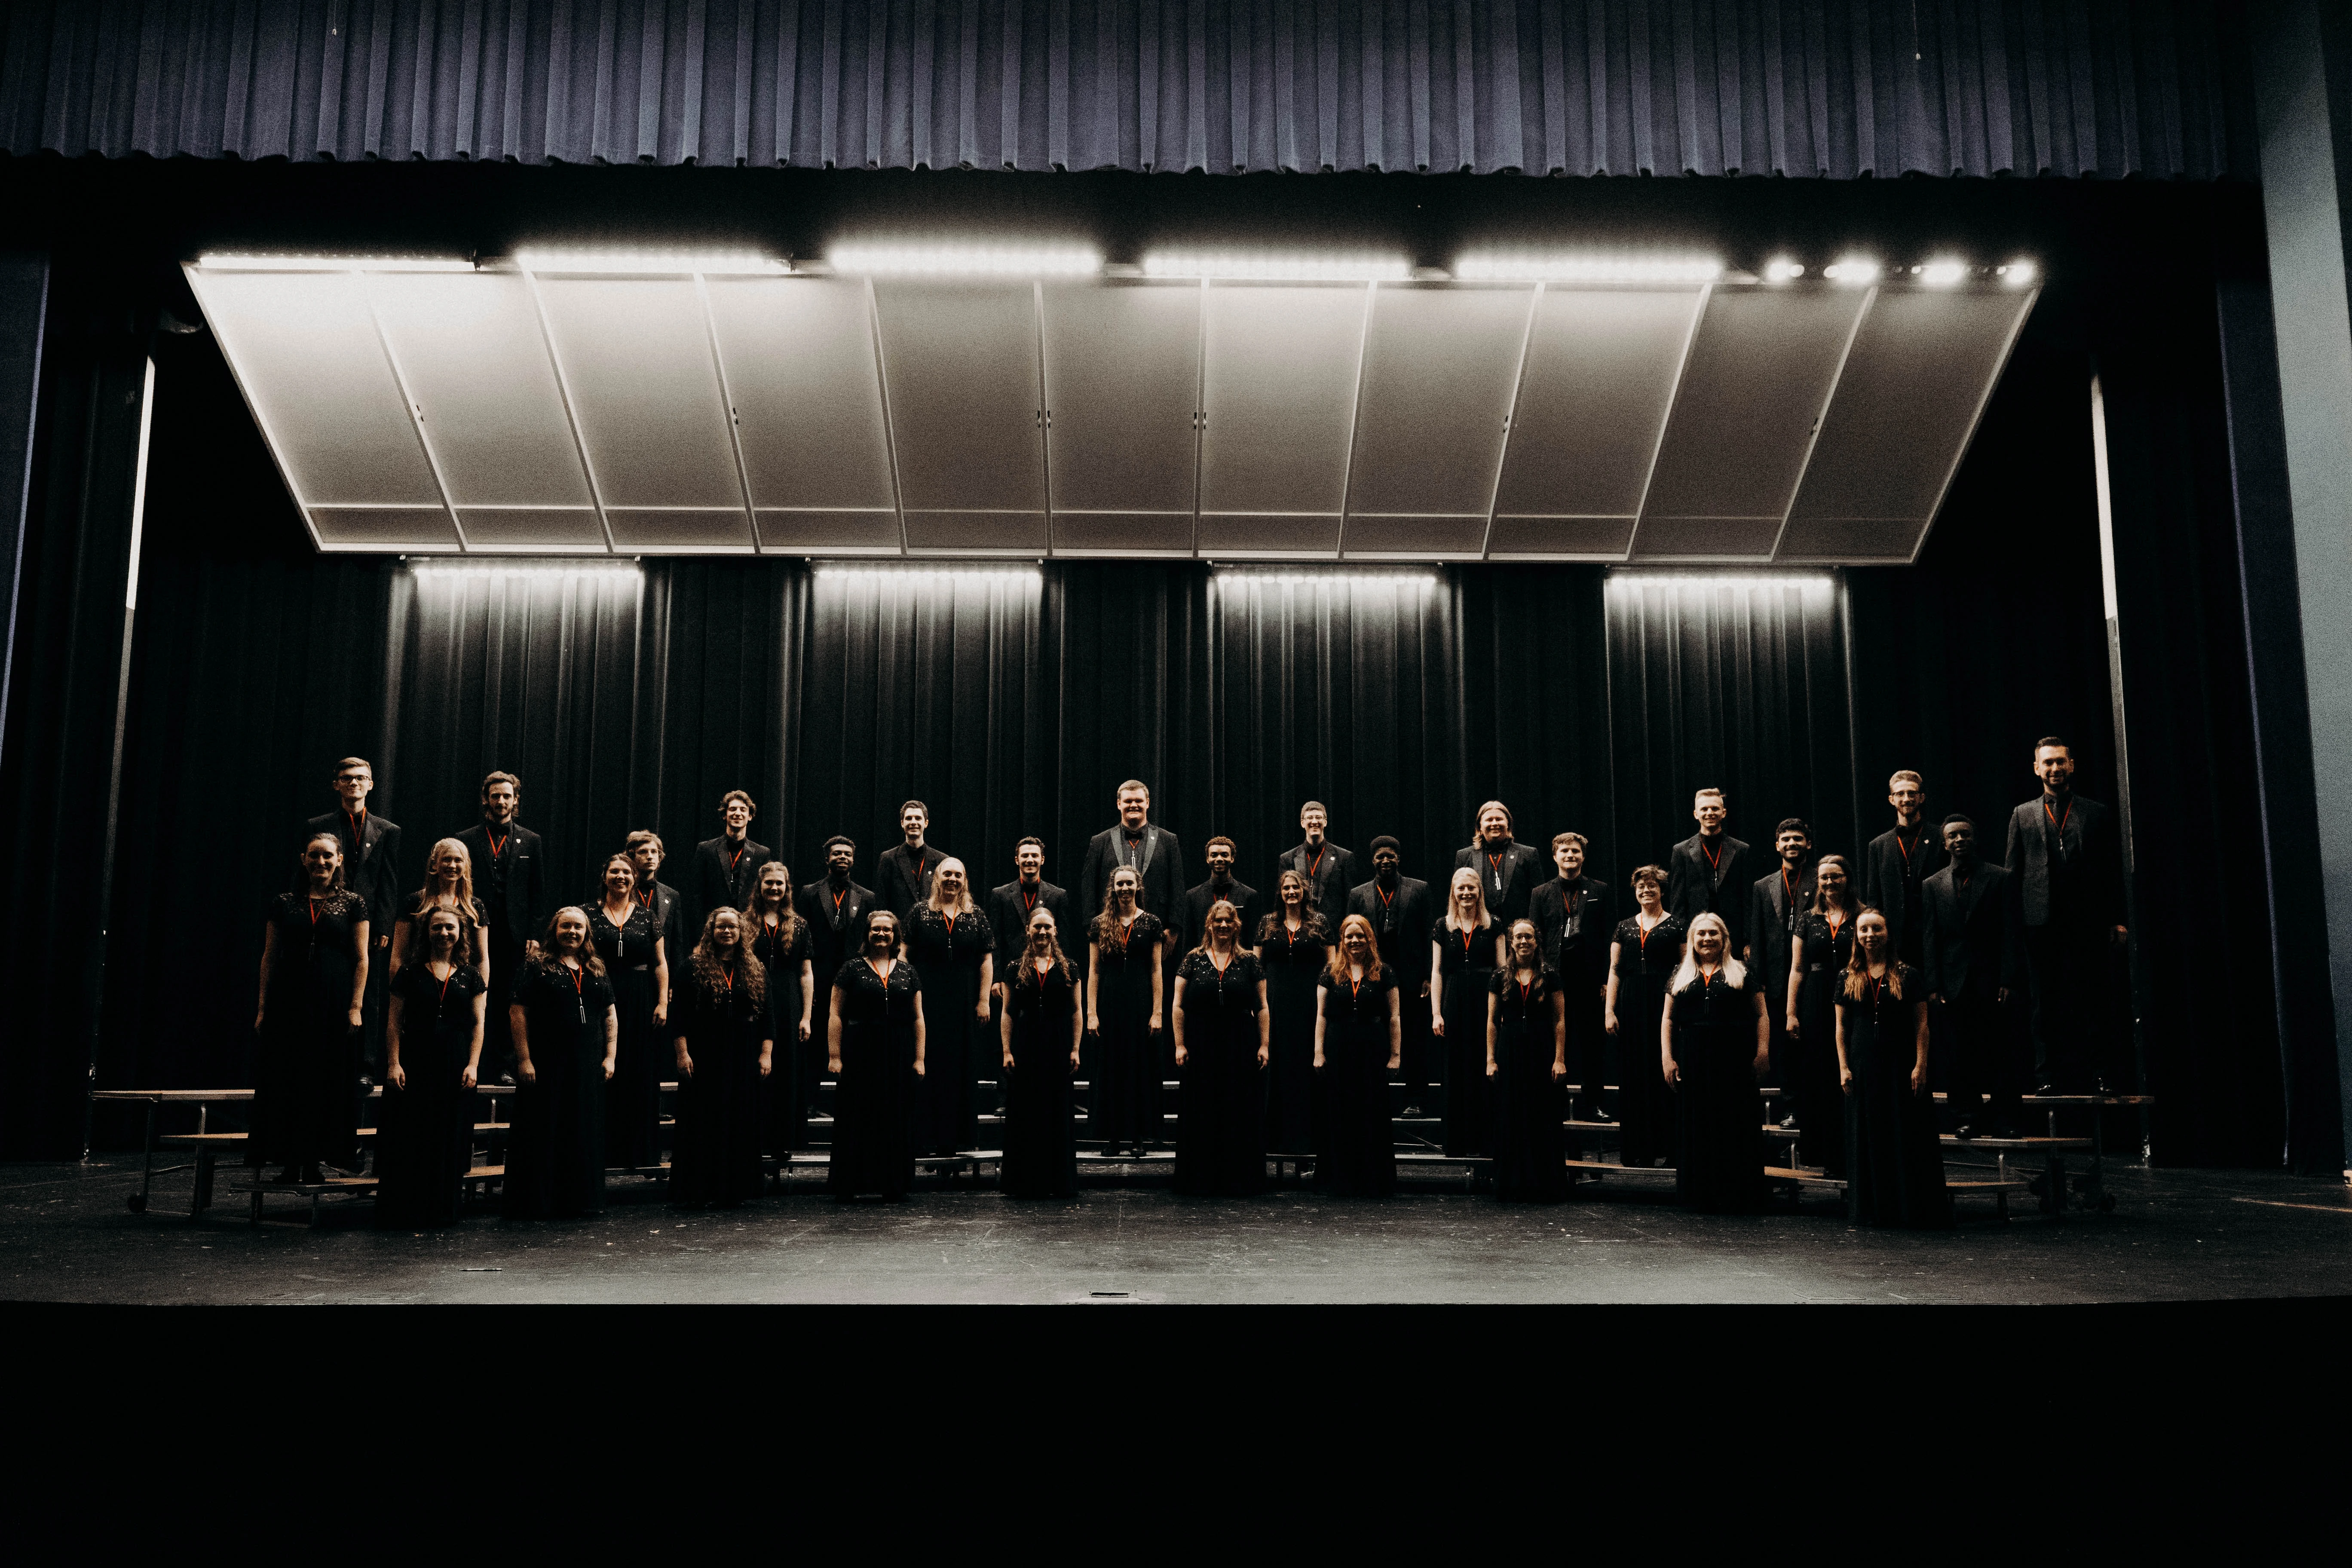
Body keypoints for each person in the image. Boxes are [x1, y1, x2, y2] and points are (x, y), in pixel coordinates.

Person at [2003, 737, 2129, 1093]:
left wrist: (2118, 919)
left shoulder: (2096, 811)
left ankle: (2101, 1073)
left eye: (2061, 762)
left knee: (2096, 999)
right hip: (2040, 922)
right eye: (2048, 763)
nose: (2055, 769)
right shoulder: (2022, 814)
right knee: (2044, 1002)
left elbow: (2111, 871)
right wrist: (2014, 926)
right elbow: (2013, 874)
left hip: (2088, 921)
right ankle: (2046, 1076)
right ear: (2037, 769)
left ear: (2072, 765)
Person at [254, 833, 369, 1184]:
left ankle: (315, 1161)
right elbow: (270, 956)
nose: (321, 863)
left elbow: (362, 959)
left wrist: (356, 1005)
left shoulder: (353, 903)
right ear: (304, 859)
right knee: (289, 1077)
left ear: (339, 861)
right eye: (315, 856)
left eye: (328, 857)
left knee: (325, 1079)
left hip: (333, 1002)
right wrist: (262, 1007)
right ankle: (290, 1162)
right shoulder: (285, 902)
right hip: (289, 1001)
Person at [1837, 909, 1951, 1227]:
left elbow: (1922, 1025)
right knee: (1868, 1136)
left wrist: (1921, 1064)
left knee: (1904, 1134)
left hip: (1900, 1065)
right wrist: (1844, 1067)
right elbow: (1840, 1028)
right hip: (1862, 1066)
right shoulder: (1847, 977)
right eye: (1864, 930)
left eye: (1876, 929)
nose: (1870, 935)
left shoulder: (1908, 975)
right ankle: (1873, 1210)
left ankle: (1909, 1208)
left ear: (1888, 933)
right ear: (1856, 936)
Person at [503, 908, 617, 1219]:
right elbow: (517, 1012)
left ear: (587, 933)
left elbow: (609, 1014)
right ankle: (539, 1202)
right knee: (545, 1128)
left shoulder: (595, 968)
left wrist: (610, 1056)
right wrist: (524, 1059)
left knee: (581, 1127)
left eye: (578, 927)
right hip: (546, 1061)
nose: (572, 932)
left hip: (586, 1063)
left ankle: (579, 1201)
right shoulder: (536, 966)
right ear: (555, 929)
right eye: (566, 926)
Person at [377, 906, 485, 1227]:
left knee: (447, 1134)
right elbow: (394, 1023)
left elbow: (479, 1024)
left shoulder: (471, 975)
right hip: (416, 1059)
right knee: (412, 1134)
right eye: (437, 928)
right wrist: (394, 1063)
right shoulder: (409, 973)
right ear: (427, 932)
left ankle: (441, 1211)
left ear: (460, 933)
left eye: (450, 928)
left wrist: (474, 1064)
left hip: (454, 1062)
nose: (444, 934)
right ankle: (406, 1210)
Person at [1922, 815, 2021, 1139]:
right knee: (1958, 1055)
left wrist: (2008, 979)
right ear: (1945, 843)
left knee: (2000, 1051)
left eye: (1965, 834)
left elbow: (2010, 934)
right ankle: (1967, 1117)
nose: (1959, 840)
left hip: (1991, 980)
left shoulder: (2000, 878)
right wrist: (1934, 985)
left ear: (1974, 838)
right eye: (1953, 836)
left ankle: (2005, 1119)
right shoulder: (1932, 885)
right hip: (1952, 982)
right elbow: (1930, 938)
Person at [1663, 911, 1769, 1213]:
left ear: (1725, 939)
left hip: (1734, 1059)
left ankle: (1737, 1195)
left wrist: (1763, 1052)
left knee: (1733, 1123)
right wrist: (1667, 1058)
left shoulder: (1744, 972)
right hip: (1693, 1059)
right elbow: (1668, 1019)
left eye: (1714, 934)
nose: (1707, 939)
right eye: (1701, 934)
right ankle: (1700, 1195)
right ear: (1692, 940)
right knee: (1698, 1124)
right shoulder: (1679, 974)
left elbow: (1762, 1015)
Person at [670, 907, 773, 1209]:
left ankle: (736, 1189)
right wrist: (682, 1053)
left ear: (741, 932)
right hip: (704, 1053)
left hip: (743, 1053)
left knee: (740, 1119)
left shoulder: (755, 968)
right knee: (704, 1119)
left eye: (732, 927)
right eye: (721, 927)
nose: (727, 932)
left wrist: (766, 1054)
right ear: (710, 931)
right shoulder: (692, 966)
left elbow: (769, 1017)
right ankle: (701, 1188)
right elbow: (679, 1016)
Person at [307, 760, 401, 1077]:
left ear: (371, 784)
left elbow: (389, 882)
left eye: (361, 778)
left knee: (371, 994)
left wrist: (385, 924)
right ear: (337, 784)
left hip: (370, 922)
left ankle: (366, 1063)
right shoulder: (317, 825)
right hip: (328, 915)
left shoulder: (388, 830)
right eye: (347, 779)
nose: (354, 783)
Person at [1172, 899, 1270, 1196]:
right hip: (1201, 1043)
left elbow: (1263, 1007)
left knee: (1237, 1109)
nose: (1224, 925)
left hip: (1240, 1042)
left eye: (1229, 921)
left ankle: (1239, 1180)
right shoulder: (1193, 958)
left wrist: (1264, 1044)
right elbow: (1178, 1006)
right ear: (1209, 925)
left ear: (1236, 925)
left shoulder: (1250, 960)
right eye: (1218, 921)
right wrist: (1179, 1044)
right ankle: (1202, 1179)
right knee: (1203, 1109)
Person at [827, 910, 923, 1200]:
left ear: (896, 936)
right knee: (858, 1114)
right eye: (876, 930)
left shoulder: (908, 971)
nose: (881, 934)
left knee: (894, 1115)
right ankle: (851, 1184)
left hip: (898, 1049)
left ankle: (892, 1184)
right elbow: (835, 1014)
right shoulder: (851, 968)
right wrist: (835, 1055)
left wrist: (919, 1058)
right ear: (867, 934)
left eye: (887, 930)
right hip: (860, 1049)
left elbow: (918, 1018)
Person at [903, 858, 993, 1156]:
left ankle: (952, 1139)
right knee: (927, 1065)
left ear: (964, 879)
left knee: (958, 1068)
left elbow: (986, 961)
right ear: (936, 878)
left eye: (958, 874)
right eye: (947, 874)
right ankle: (922, 1137)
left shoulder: (976, 915)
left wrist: (983, 1000)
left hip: (964, 1002)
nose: (952, 879)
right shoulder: (920, 912)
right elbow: (904, 953)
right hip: (927, 1000)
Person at [457, 772, 543, 1083]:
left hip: (514, 933)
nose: (501, 801)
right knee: (473, 994)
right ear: (486, 799)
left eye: (507, 796)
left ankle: (506, 1065)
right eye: (495, 796)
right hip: (474, 929)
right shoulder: (467, 838)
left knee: (510, 998)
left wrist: (534, 934)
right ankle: (470, 1061)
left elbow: (538, 892)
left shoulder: (531, 840)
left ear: (516, 800)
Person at [985, 837, 1078, 1118]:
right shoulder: (1001, 894)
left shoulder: (1058, 895)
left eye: (1034, 856)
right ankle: (1006, 1093)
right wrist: (998, 977)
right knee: (1011, 1033)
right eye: (1025, 856)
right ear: (1017, 860)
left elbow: (1063, 937)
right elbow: (995, 939)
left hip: (1048, 972)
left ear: (1042, 860)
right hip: (1015, 975)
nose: (1030, 860)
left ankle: (1061, 1095)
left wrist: (1062, 974)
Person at [588, 852, 669, 1172]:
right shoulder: (588, 913)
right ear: (605, 876)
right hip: (599, 995)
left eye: (626, 872)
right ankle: (600, 1150)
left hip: (639, 998)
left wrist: (662, 1001)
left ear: (635, 878)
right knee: (604, 1070)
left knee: (637, 1071)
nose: (621, 877)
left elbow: (660, 963)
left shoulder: (649, 917)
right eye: (614, 872)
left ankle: (639, 1153)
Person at [1313, 915, 1400, 1195]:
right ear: (1342, 940)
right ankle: (1340, 1180)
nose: (1355, 941)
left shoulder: (1384, 972)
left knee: (1371, 1113)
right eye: (1349, 936)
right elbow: (1321, 1016)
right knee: (1340, 1112)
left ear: (1369, 939)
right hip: (1339, 1048)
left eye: (1360, 936)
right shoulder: (1330, 972)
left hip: (1372, 1049)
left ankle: (1372, 1180)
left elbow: (1395, 1017)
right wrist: (1318, 1052)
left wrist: (1396, 1055)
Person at [1604, 865, 1684, 1169]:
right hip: (1631, 1005)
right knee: (1635, 1075)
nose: (1646, 891)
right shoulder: (1623, 927)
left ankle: (1671, 1149)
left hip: (1664, 1003)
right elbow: (1614, 971)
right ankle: (1640, 1149)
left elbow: (1683, 968)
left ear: (1662, 890)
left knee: (1664, 1074)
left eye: (1652, 886)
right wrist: (1610, 1010)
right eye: (1641, 887)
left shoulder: (1677, 925)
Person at [999, 907, 1082, 1199]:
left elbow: (1076, 1012)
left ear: (1055, 930)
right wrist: (1007, 1050)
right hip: (1027, 1043)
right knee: (1026, 1111)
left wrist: (1075, 1048)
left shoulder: (1070, 967)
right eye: (1037, 927)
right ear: (1029, 931)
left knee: (1056, 1110)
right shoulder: (1014, 968)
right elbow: (1008, 1012)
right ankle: (1024, 1182)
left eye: (1048, 927)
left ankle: (1058, 1181)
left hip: (1058, 1044)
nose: (1043, 932)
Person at [1348, 837, 1434, 1115]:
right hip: (1372, 978)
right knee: (1373, 1039)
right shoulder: (1358, 894)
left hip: (1411, 979)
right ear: (1373, 860)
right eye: (1380, 857)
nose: (1386, 861)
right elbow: (1349, 939)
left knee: (1414, 1040)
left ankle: (1416, 1100)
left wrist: (1428, 976)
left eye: (1391, 856)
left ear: (1399, 858)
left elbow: (1428, 935)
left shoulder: (1419, 890)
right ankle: (1371, 1099)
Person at [1531, 831, 1613, 1122]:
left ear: (1583, 856)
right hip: (1554, 977)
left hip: (1589, 977)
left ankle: (1594, 1105)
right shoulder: (1540, 893)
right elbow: (1535, 939)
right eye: (1564, 852)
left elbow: (1607, 938)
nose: (1570, 856)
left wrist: (1605, 978)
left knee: (1592, 1044)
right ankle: (1554, 1102)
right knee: (1554, 1042)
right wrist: (1538, 977)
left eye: (1575, 851)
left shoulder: (1600, 890)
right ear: (1555, 856)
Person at [1784, 854, 1857, 1176]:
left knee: (1850, 1069)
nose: (1830, 882)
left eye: (1836, 876)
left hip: (1853, 994)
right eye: (1825, 877)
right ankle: (1824, 1152)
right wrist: (1791, 1013)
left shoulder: (1863, 915)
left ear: (1847, 878)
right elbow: (1797, 969)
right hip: (1815, 997)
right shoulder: (1807, 919)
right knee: (1819, 1072)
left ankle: (1854, 1150)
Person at [1488, 920, 1568, 1203]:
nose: (1523, 942)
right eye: (1518, 937)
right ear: (1511, 942)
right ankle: (1512, 1184)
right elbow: (1492, 1023)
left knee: (1542, 1116)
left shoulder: (1551, 975)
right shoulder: (1500, 977)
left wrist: (1559, 1059)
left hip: (1541, 1050)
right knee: (1511, 1116)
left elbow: (1559, 1021)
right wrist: (1490, 1059)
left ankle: (1544, 1186)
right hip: (1510, 1053)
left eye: (1529, 937)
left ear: (1537, 942)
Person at [1087, 866, 1165, 1156]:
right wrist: (1092, 1012)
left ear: (1138, 886)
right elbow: (1093, 971)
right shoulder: (1099, 923)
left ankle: (1138, 1138)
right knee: (1112, 1069)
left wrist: (1157, 1012)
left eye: (1129, 884)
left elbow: (1157, 970)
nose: (1125, 888)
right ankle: (1113, 1139)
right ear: (1113, 888)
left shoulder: (1152, 923)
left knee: (1139, 1069)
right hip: (1109, 1004)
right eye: (1120, 884)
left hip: (1141, 1003)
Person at [799, 836, 874, 1131]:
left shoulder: (867, 897)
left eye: (847, 854)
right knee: (816, 1043)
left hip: (854, 979)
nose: (842, 857)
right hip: (819, 977)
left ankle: (852, 1102)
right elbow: (802, 936)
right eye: (836, 853)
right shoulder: (808, 893)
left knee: (854, 1041)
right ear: (826, 858)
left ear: (853, 860)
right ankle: (810, 1102)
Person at [1746, 819, 1816, 1131]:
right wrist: (1757, 978)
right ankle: (1791, 1109)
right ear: (1777, 846)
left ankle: (1818, 1106)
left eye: (1798, 839)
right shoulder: (1763, 886)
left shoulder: (1822, 879)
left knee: (1813, 1045)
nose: (1792, 844)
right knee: (1785, 1050)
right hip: (1774, 980)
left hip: (1813, 977)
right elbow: (1757, 935)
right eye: (1786, 839)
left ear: (1808, 844)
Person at [1430, 866, 1504, 1157]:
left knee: (1485, 1067)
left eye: (1471, 888)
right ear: (1453, 892)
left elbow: (1502, 970)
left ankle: (1487, 1140)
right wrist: (1436, 1013)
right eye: (1460, 888)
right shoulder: (1442, 925)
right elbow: (1436, 971)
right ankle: (1459, 1142)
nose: (1466, 893)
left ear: (1479, 892)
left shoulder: (1494, 924)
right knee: (1457, 1068)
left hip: (1486, 999)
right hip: (1454, 1000)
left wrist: (1502, 1009)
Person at [1256, 868, 1328, 1160]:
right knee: (1279, 1068)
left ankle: (1307, 1139)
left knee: (1304, 1068)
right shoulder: (1267, 923)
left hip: (1309, 1005)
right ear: (1280, 892)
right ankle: (1275, 1139)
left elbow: (1330, 967)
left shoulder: (1319, 923)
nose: (1291, 893)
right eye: (1286, 888)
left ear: (1304, 892)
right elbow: (1257, 967)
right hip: (1275, 1004)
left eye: (1295, 888)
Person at [746, 863, 815, 1152]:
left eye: (780, 884)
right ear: (759, 887)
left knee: (785, 1068)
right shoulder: (744, 921)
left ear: (787, 888)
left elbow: (806, 972)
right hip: (753, 994)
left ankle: (782, 1140)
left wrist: (807, 1016)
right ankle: (753, 1136)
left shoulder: (799, 924)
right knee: (756, 1067)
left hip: (788, 1000)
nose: (775, 888)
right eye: (769, 883)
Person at [1078, 780, 1184, 939]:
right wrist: (1092, 929)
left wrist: (1173, 930)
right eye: (1128, 801)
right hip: (1110, 928)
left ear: (1147, 803)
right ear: (1119, 804)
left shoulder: (1168, 840)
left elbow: (1177, 885)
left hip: (1159, 930)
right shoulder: (1099, 842)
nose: (1134, 805)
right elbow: (1088, 887)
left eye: (1139, 801)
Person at [1863, 771, 1946, 966]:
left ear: (1922, 798)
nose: (1907, 799)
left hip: (1936, 935)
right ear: (1892, 799)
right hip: (1894, 941)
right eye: (1900, 794)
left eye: (1912, 793)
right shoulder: (1878, 846)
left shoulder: (1940, 837)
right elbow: (1874, 900)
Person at [1666, 787, 1758, 958]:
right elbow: (1678, 902)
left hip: (1734, 936)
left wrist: (1748, 941)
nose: (1710, 813)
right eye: (1704, 809)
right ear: (1696, 814)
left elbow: (1748, 900)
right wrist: (1683, 941)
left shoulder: (1741, 850)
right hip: (1697, 937)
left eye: (1715, 809)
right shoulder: (1681, 851)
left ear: (1724, 813)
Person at [389, 838, 490, 987]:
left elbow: (483, 960)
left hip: (461, 990)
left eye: (458, 860)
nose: (452, 865)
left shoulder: (475, 907)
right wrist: (397, 994)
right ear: (435, 864)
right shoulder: (415, 903)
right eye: (446, 860)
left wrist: (481, 999)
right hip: (420, 986)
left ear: (466, 866)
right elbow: (398, 955)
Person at [1454, 800, 1544, 927]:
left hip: (1517, 933)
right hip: (1479, 929)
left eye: (1499, 819)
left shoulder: (1528, 854)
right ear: (1480, 826)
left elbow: (1539, 899)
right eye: (1489, 820)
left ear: (1508, 824)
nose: (1495, 823)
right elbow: (1456, 898)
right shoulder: (1464, 856)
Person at [692, 790, 772, 932]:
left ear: (750, 816)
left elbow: (764, 897)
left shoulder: (762, 853)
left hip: (749, 930)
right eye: (732, 809)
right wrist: (700, 935)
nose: (738, 813)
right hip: (714, 930)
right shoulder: (706, 849)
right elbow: (696, 896)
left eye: (743, 810)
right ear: (725, 815)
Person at [1277, 801, 1359, 932]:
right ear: (1302, 823)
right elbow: (1282, 900)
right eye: (1310, 818)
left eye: (1319, 817)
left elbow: (1350, 901)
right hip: (1298, 930)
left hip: (1333, 932)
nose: (1314, 821)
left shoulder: (1345, 858)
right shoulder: (1288, 859)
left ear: (1325, 822)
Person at [1179, 836, 1265, 955]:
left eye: (1224, 855)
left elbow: (1254, 940)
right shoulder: (1193, 896)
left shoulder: (1250, 896)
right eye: (1214, 855)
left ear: (1232, 859)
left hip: (1239, 963)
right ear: (1207, 859)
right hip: (1203, 964)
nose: (1219, 859)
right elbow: (1188, 941)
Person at [876, 800, 949, 918]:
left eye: (918, 818)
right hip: (900, 929)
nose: (913, 822)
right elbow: (882, 901)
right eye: (909, 818)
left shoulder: (942, 860)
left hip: (932, 929)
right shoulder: (888, 859)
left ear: (926, 823)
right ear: (902, 823)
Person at [625, 829, 687, 963]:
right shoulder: (623, 891)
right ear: (632, 856)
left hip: (661, 968)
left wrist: (674, 982)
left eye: (654, 852)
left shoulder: (672, 895)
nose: (650, 856)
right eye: (643, 852)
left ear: (660, 857)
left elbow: (677, 944)